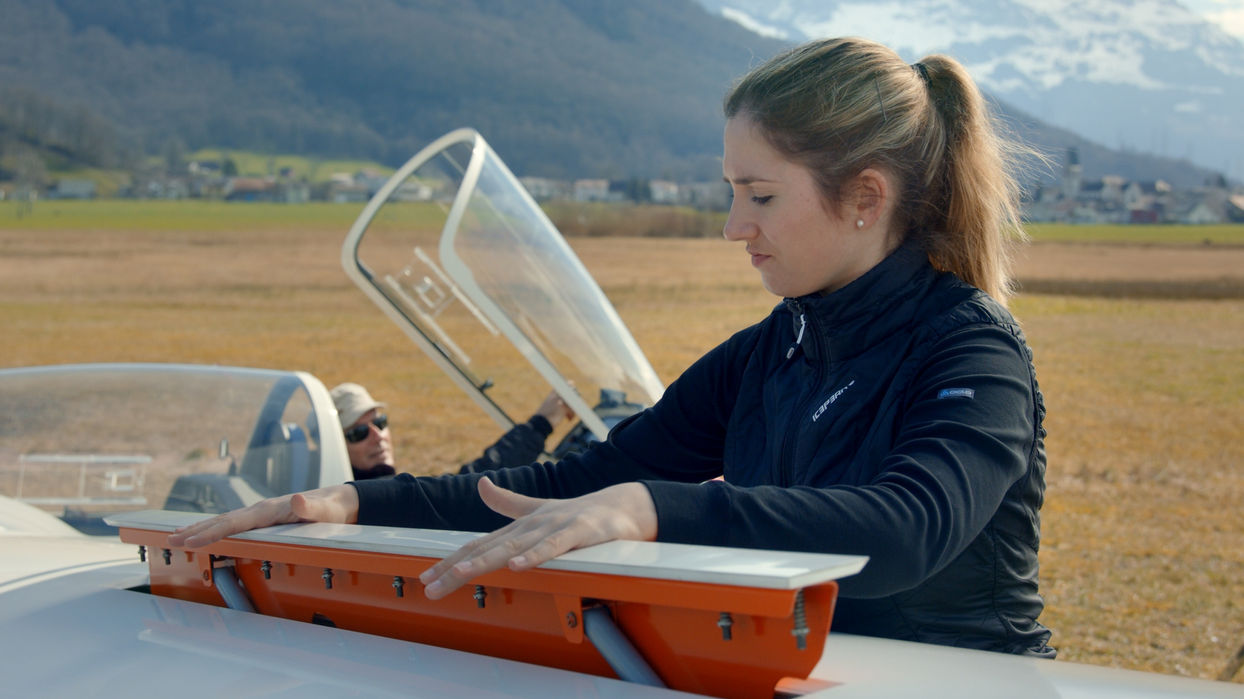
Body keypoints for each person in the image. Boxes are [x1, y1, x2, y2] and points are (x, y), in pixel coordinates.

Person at [171, 37, 1053, 656]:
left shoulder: (971, 352)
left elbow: (904, 531)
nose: (733, 225)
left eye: (760, 196)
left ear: (865, 198)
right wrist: (353, 504)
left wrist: (656, 508)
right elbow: (573, 488)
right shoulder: (770, 351)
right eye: (730, 192)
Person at [330, 382, 575, 481]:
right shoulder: (369, 501)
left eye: (381, 423)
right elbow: (467, 487)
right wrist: (540, 425)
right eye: (358, 433)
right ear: (337, 448)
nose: (378, 436)